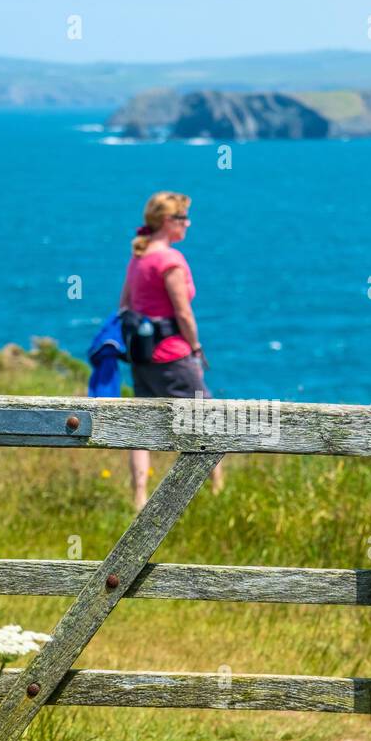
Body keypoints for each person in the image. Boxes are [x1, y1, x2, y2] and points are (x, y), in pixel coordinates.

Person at [117, 190, 224, 509]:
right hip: (173, 354)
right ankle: (216, 492)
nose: (188, 224)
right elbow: (183, 313)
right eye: (183, 218)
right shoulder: (170, 260)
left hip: (142, 355)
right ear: (168, 221)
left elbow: (124, 305)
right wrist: (195, 347)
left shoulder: (140, 256)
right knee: (208, 418)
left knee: (141, 424)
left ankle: (139, 496)